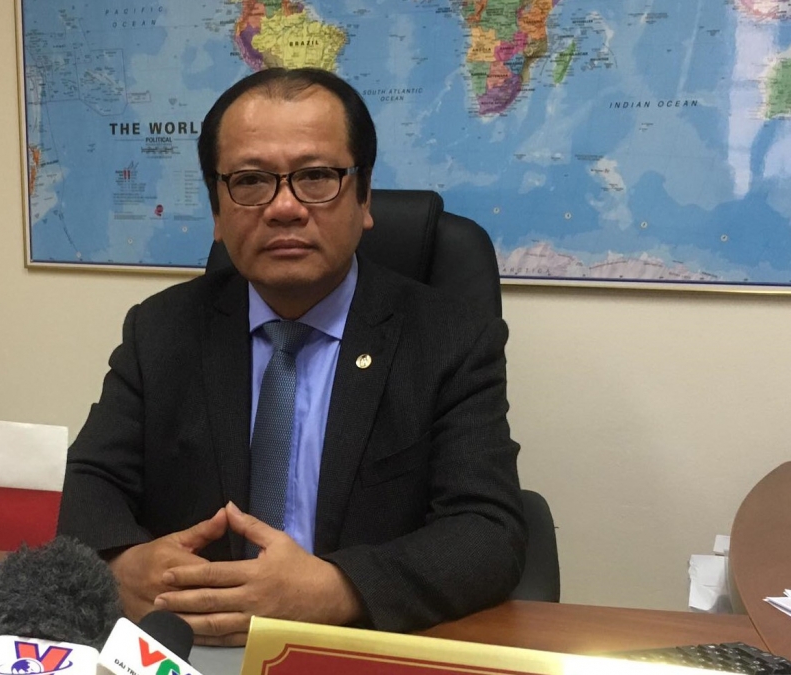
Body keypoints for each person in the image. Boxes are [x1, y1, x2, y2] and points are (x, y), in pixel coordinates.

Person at [57, 67, 525, 646]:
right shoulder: (161, 330)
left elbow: (488, 531)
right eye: (250, 181)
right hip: (193, 647)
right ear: (217, 211)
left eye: (316, 176)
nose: (284, 207)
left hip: (356, 646)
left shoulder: (451, 338)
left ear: (364, 196)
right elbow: (93, 483)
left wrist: (337, 589)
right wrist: (120, 565)